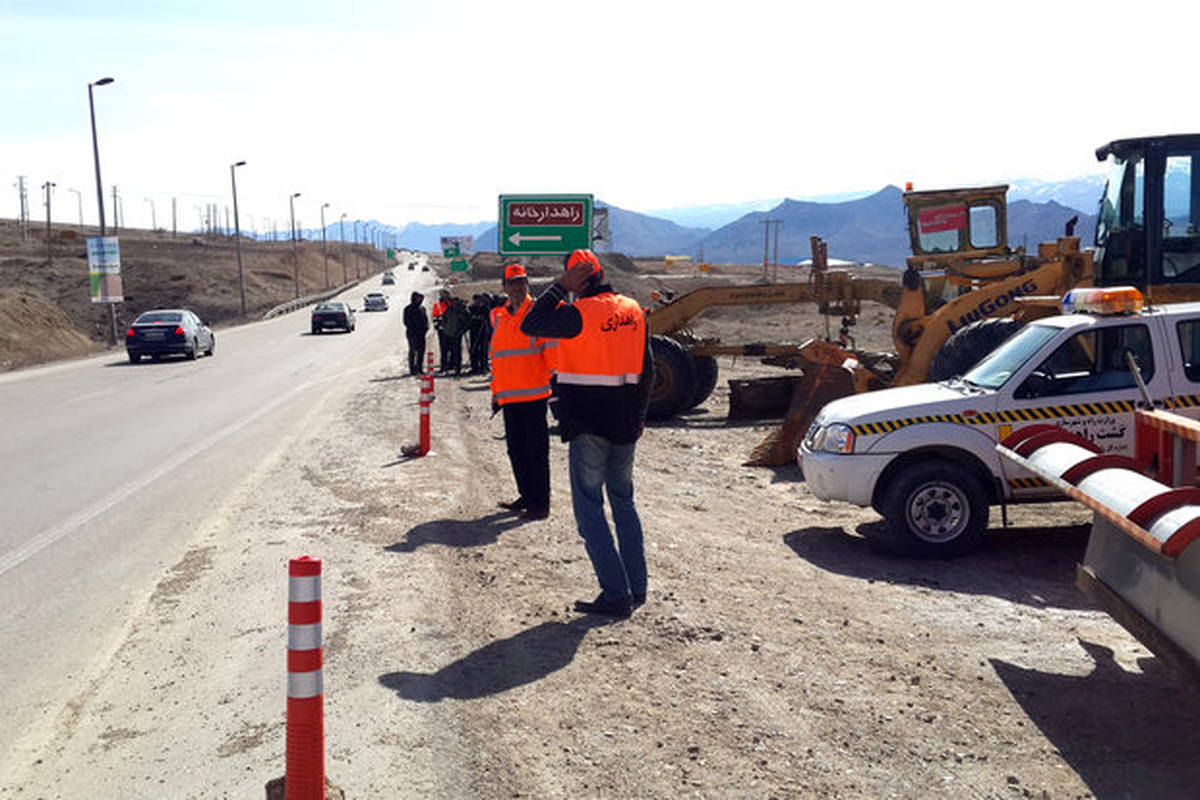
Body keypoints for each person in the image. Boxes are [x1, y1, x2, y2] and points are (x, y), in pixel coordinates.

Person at [521, 249, 652, 618]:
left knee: (589, 510)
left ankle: (615, 593)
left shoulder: (578, 314)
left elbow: (531, 323)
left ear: (577, 279)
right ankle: (637, 585)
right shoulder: (633, 310)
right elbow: (648, 369)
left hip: (588, 425)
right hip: (625, 424)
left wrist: (558, 287)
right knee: (623, 503)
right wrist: (640, 416)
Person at [490, 263, 557, 520]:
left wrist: (558, 389)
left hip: (534, 396)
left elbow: (552, 352)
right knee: (516, 451)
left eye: (522, 282)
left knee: (536, 452)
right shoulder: (499, 317)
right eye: (513, 282)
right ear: (504, 287)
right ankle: (527, 496)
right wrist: (495, 392)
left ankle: (541, 503)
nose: (518, 287)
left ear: (527, 284)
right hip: (509, 397)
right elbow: (497, 358)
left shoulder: (537, 314)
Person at [440, 295, 471, 375]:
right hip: (447, 333)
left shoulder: (463, 311)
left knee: (456, 352)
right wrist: (444, 327)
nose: (454, 303)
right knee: (445, 351)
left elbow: (468, 322)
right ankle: (444, 367)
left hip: (457, 334)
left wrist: (462, 331)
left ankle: (457, 368)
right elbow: (444, 318)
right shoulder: (449, 309)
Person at [402, 291, 429, 375]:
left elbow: (426, 320)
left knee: (421, 351)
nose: (419, 300)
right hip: (412, 333)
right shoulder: (408, 309)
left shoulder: (422, 309)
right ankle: (412, 369)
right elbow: (406, 321)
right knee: (413, 351)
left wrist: (425, 328)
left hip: (422, 334)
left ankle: (420, 368)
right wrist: (414, 329)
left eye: (420, 298)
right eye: (417, 298)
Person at [467, 294, 493, 374]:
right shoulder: (471, 309)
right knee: (473, 349)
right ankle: (474, 367)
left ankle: (484, 366)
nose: (477, 302)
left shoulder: (486, 309)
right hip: (474, 332)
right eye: (475, 300)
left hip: (484, 332)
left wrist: (490, 330)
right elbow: (468, 319)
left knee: (483, 350)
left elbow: (490, 320)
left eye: (478, 300)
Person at [432, 290, 451, 373]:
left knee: (452, 348)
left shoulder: (451, 304)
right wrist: (437, 325)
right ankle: (444, 366)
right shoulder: (437, 305)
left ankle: (452, 365)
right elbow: (435, 316)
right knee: (443, 348)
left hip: (451, 329)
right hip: (442, 329)